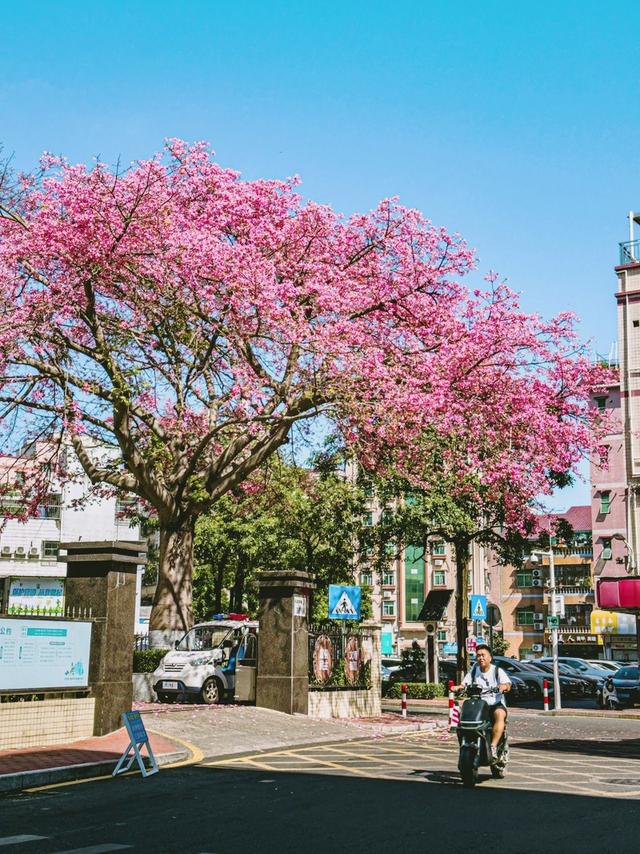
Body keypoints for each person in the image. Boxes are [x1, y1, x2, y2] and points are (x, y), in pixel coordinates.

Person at [451, 644, 511, 761]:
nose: (481, 658)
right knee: (462, 721)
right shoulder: (474, 671)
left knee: (500, 714)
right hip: (478, 704)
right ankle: (465, 744)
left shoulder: (497, 671)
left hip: (494, 704)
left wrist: (503, 686)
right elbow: (464, 684)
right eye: (478, 655)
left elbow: (508, 685)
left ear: (490, 657)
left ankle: (493, 746)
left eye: (483, 655)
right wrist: (458, 687)